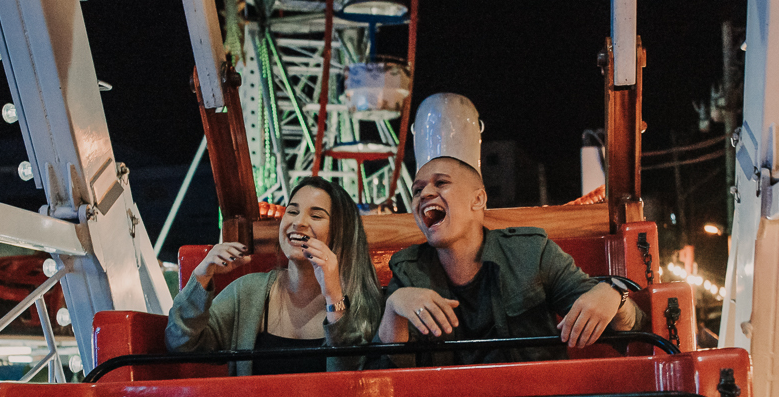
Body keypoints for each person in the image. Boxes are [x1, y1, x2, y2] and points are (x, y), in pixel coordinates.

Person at [378, 155, 646, 364]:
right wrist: (393, 308)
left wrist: (614, 295)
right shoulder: (407, 271)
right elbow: (385, 375)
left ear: (478, 199)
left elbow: (632, 331)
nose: (424, 194)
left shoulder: (532, 253)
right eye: (417, 190)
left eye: (441, 183)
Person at [166, 177, 382, 374]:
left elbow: (354, 383)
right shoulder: (248, 292)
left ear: (341, 233)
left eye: (316, 215)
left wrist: (334, 298)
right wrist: (202, 275)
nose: (298, 222)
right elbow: (180, 344)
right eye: (292, 211)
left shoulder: (364, 299)